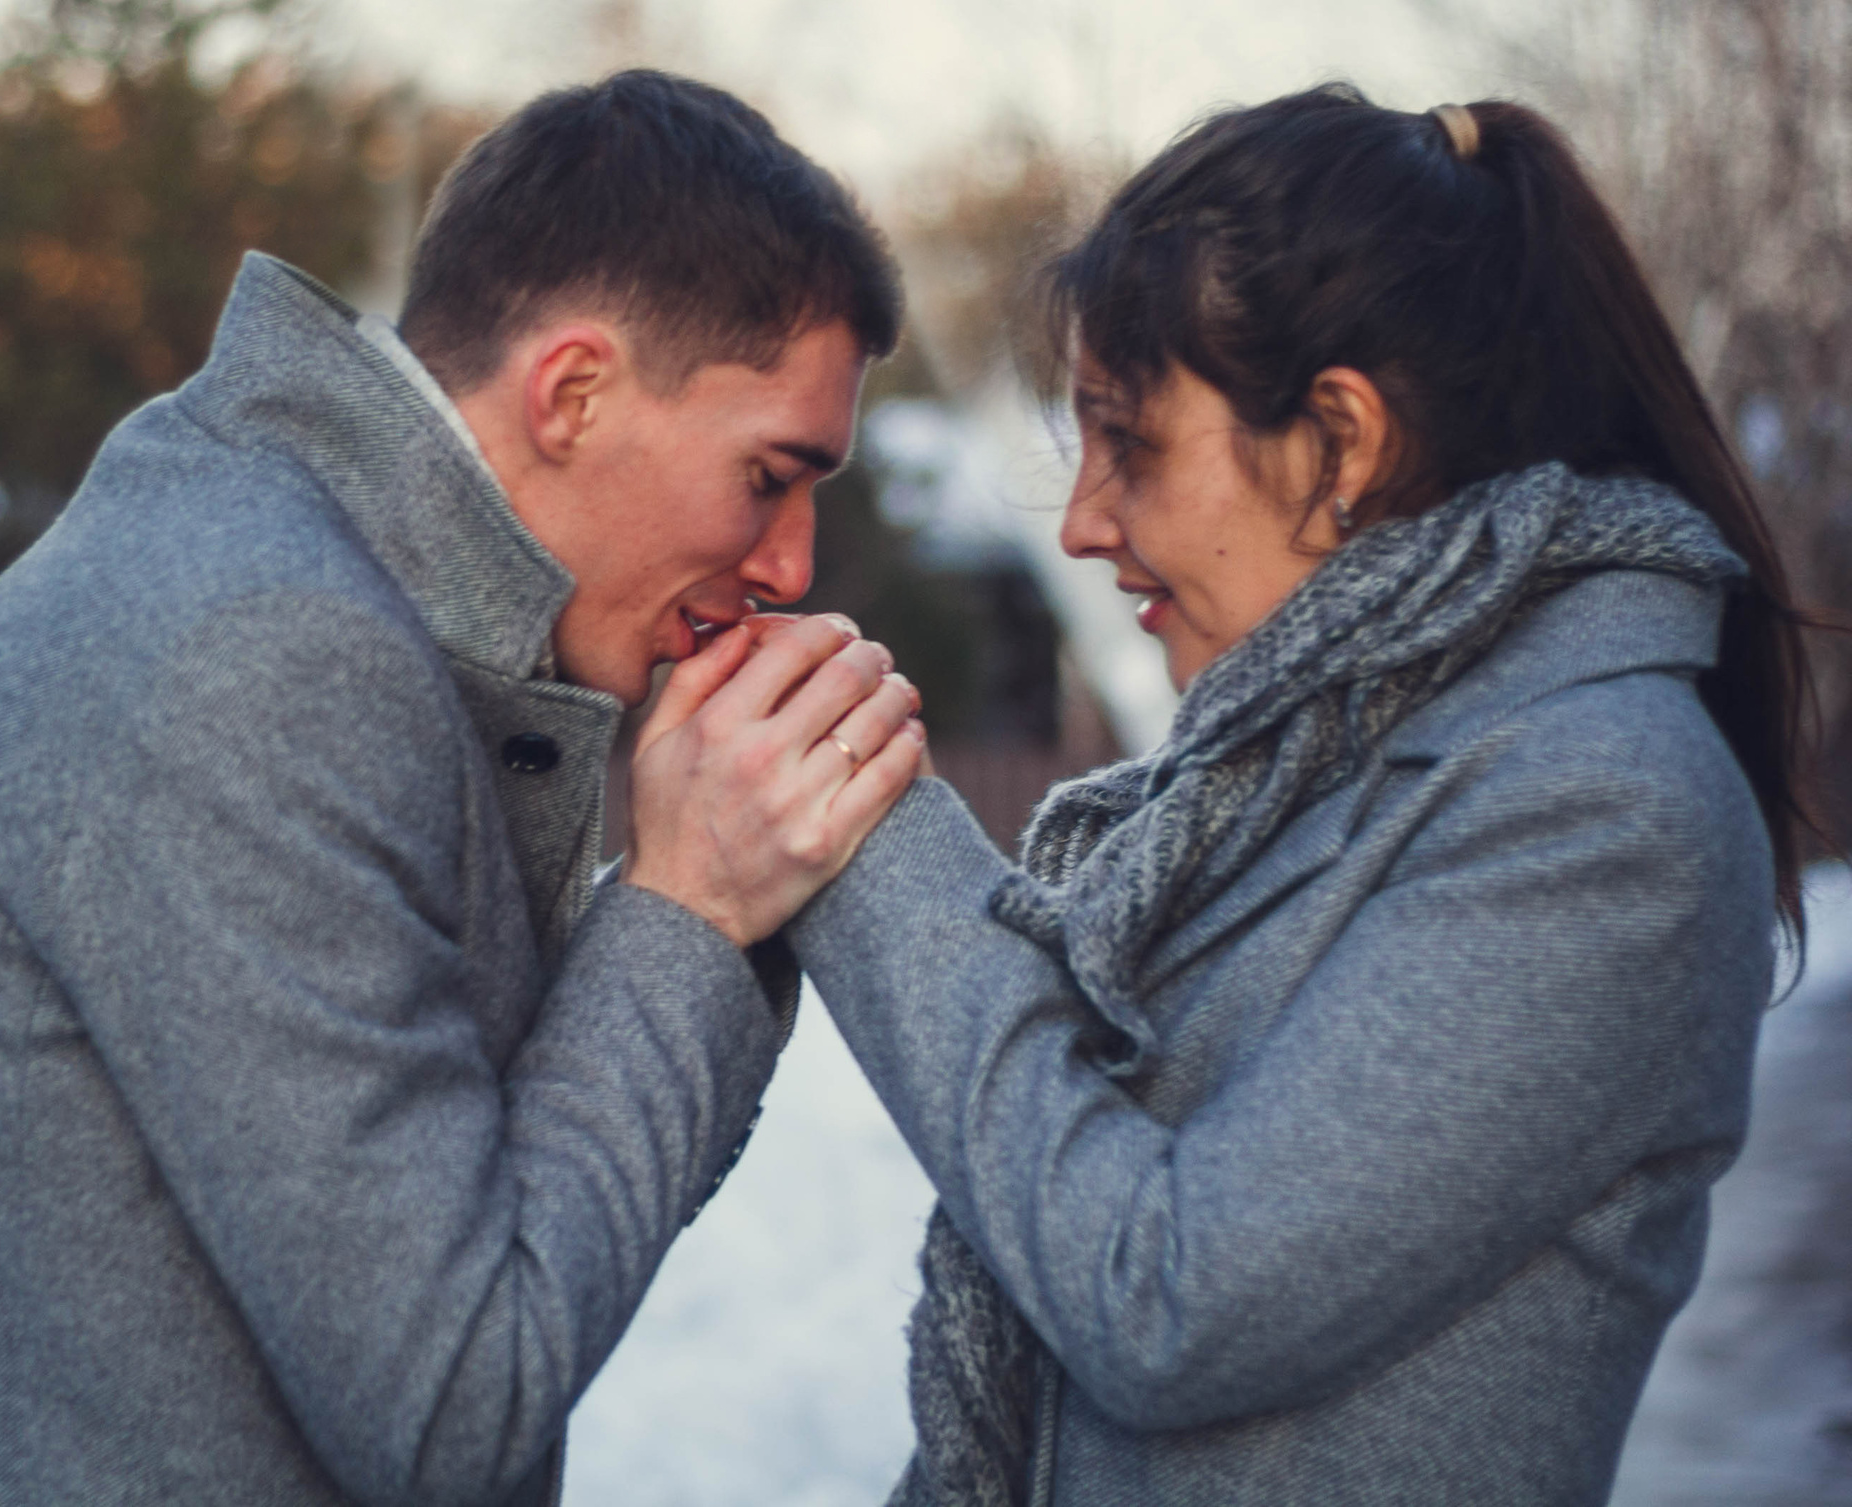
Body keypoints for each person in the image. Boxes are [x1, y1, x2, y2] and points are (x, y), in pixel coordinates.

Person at [0, 70, 926, 1506]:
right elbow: (454, 1401)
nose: (792, 564)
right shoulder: (260, 653)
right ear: (575, 391)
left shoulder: (296, 579)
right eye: (770, 476)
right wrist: (687, 911)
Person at [732, 84, 1821, 1505]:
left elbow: (1166, 1303)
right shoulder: (1305, 772)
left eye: (1131, 443)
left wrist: (865, 831)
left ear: (1343, 443)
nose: (1082, 523)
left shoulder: (1605, 817)